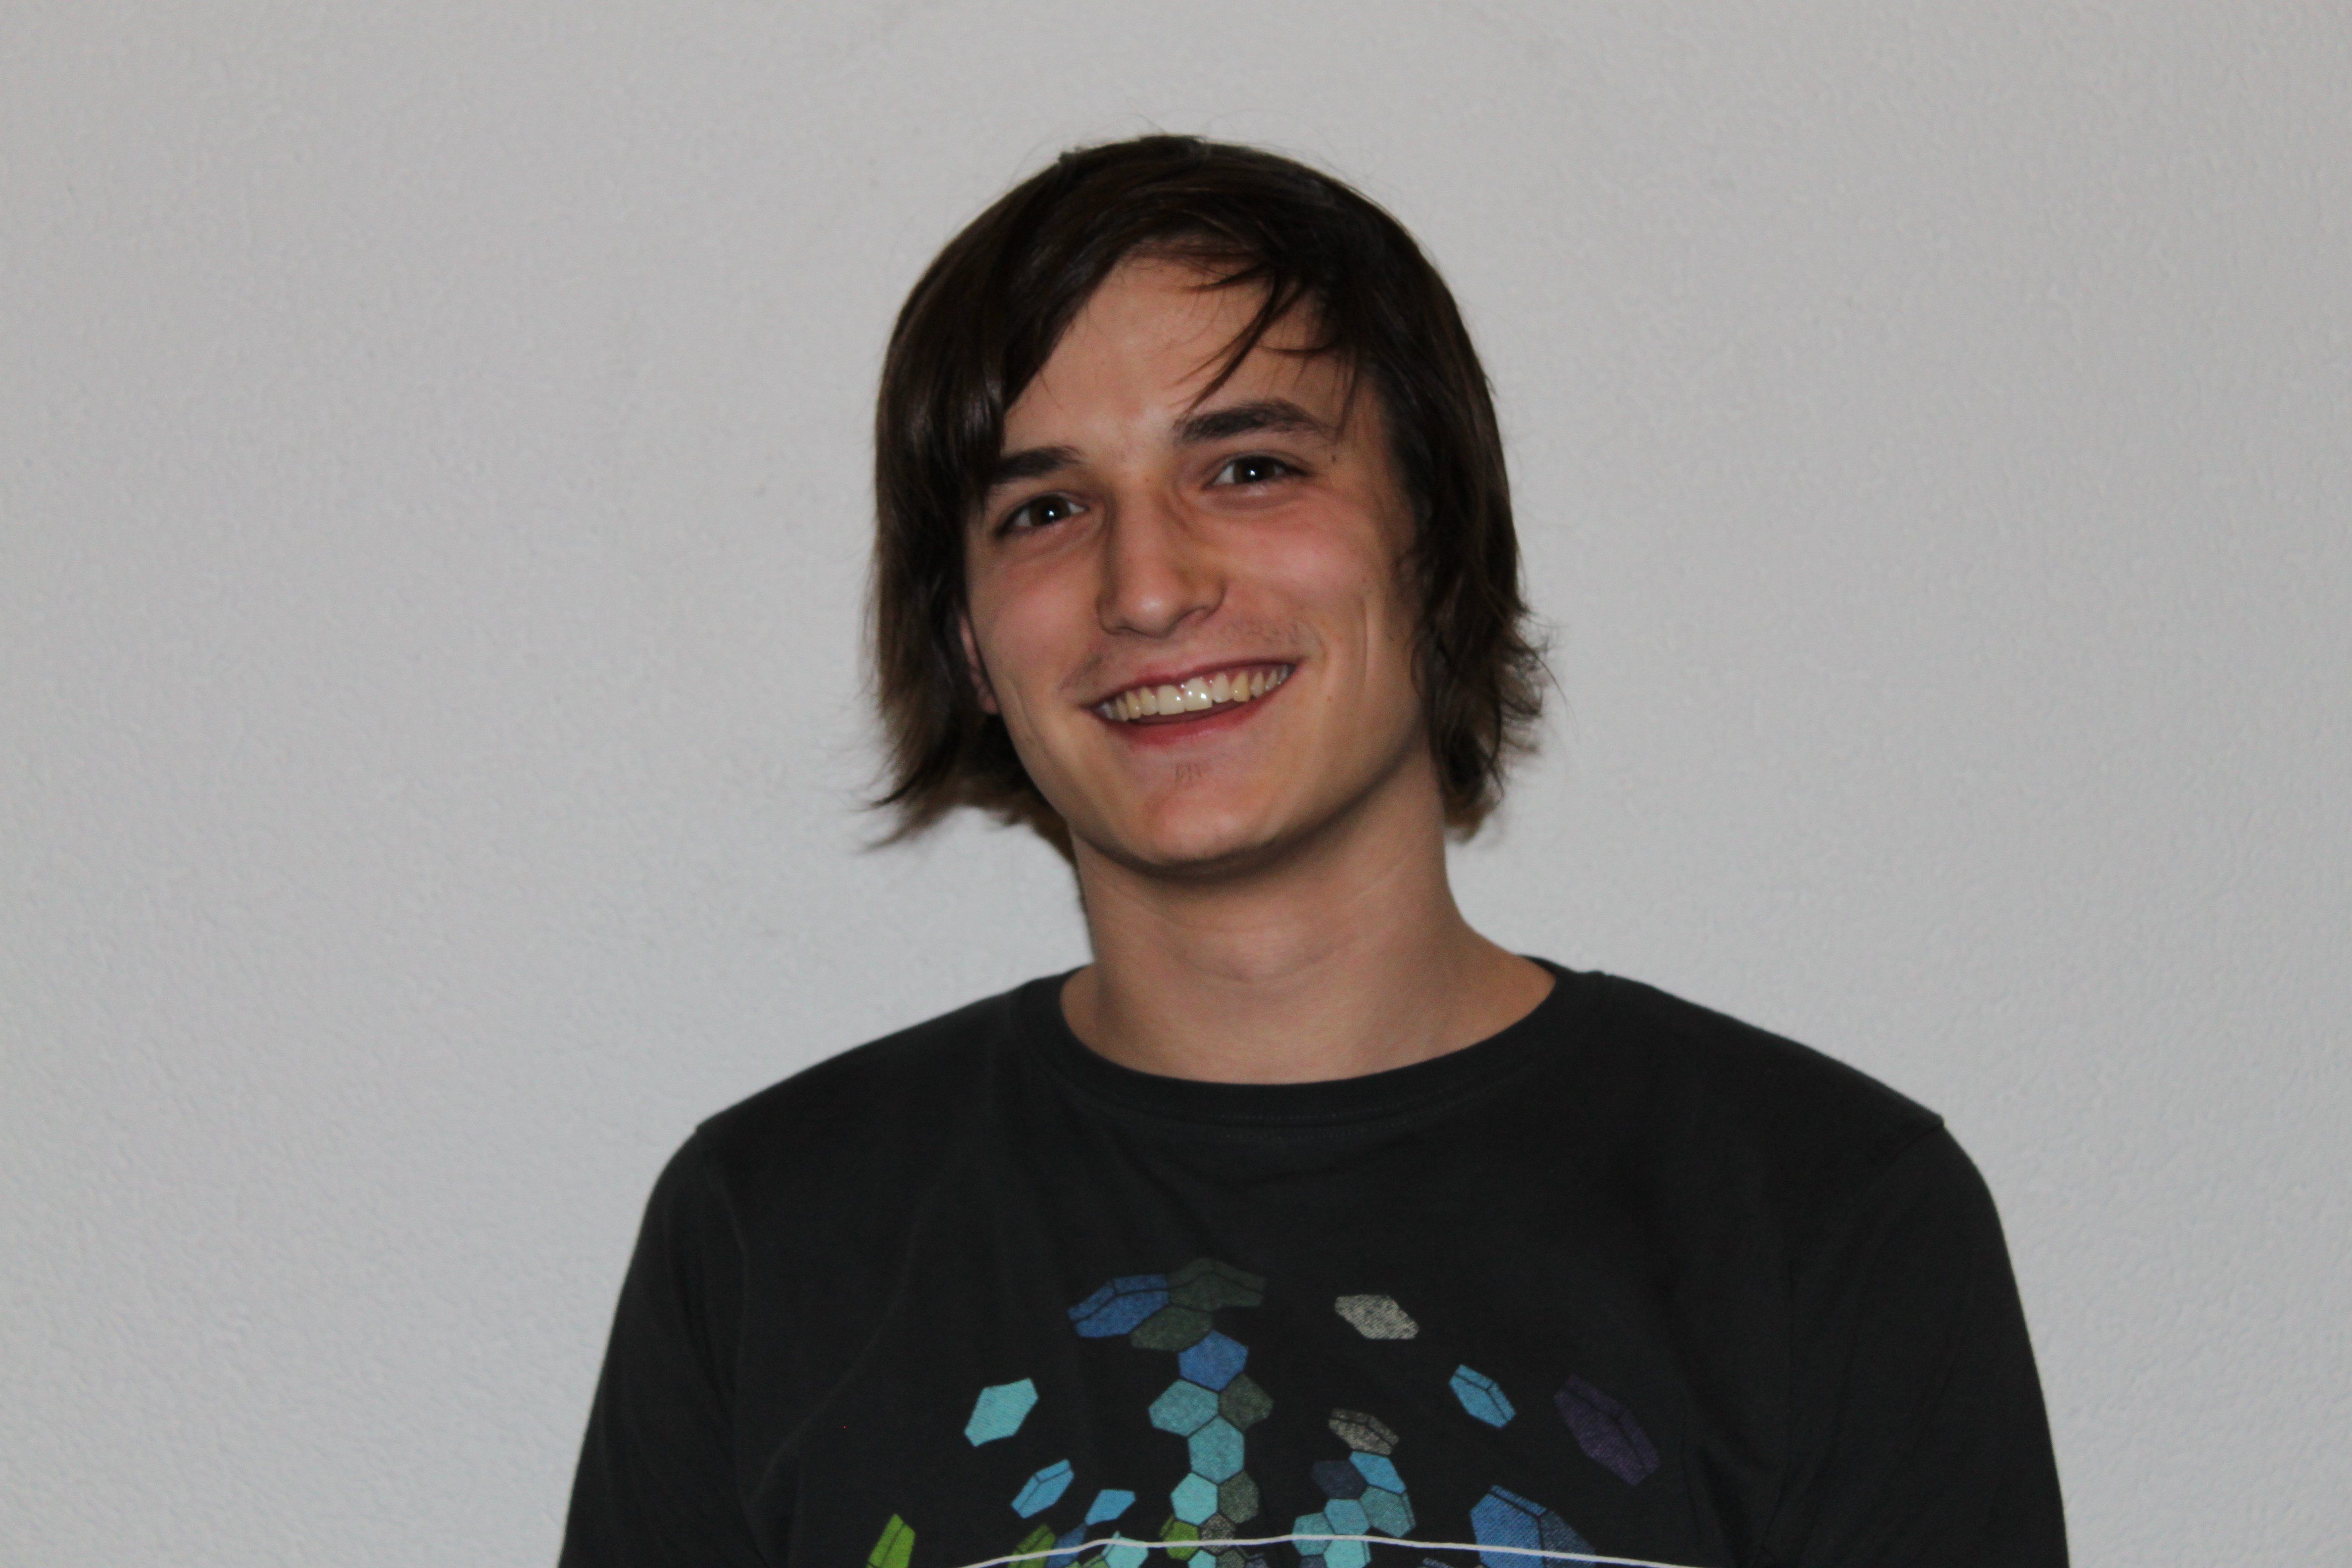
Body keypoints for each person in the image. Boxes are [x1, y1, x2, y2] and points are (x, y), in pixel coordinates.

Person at [559, 136, 2066, 1568]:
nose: (1148, 587)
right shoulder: (774, 1230)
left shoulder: (1823, 1212)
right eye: (1047, 507)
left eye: (1252, 468)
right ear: (968, 642)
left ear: (1439, 541)